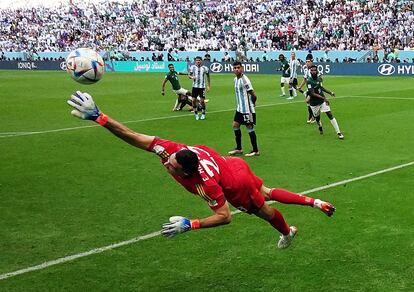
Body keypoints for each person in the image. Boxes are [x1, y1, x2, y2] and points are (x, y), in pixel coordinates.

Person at [66, 91, 336, 249]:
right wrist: (100, 118)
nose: (167, 165)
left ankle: (287, 232)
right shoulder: (171, 150)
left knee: (263, 209)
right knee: (266, 190)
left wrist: (190, 224)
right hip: (232, 163)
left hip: (234, 181)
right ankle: (314, 202)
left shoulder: (206, 185)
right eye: (169, 162)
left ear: (186, 172)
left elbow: (224, 216)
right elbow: (134, 136)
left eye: (172, 166)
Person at [228, 61, 260, 157]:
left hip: (247, 109)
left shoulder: (245, 80)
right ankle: (239, 148)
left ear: (242, 68)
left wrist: (252, 105)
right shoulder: (235, 80)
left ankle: (255, 150)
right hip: (240, 108)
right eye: (235, 68)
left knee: (249, 128)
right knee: (235, 125)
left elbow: (253, 95)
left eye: (238, 67)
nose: (237, 69)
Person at [306, 65, 344, 139]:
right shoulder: (309, 81)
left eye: (314, 70)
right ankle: (320, 126)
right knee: (317, 117)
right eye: (311, 70)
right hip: (314, 103)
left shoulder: (319, 79)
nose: (313, 71)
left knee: (330, 114)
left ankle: (339, 132)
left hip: (322, 101)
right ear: (310, 72)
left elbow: (321, 87)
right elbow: (312, 93)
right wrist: (324, 98)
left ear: (317, 71)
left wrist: (330, 93)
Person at [298, 57, 316, 123]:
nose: (307, 63)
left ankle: (314, 117)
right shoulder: (307, 70)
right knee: (309, 103)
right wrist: (300, 87)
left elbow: (319, 79)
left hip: (314, 90)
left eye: (308, 61)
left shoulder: (314, 70)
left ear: (311, 62)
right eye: (306, 62)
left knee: (310, 102)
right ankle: (312, 116)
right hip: (309, 89)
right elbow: (305, 79)